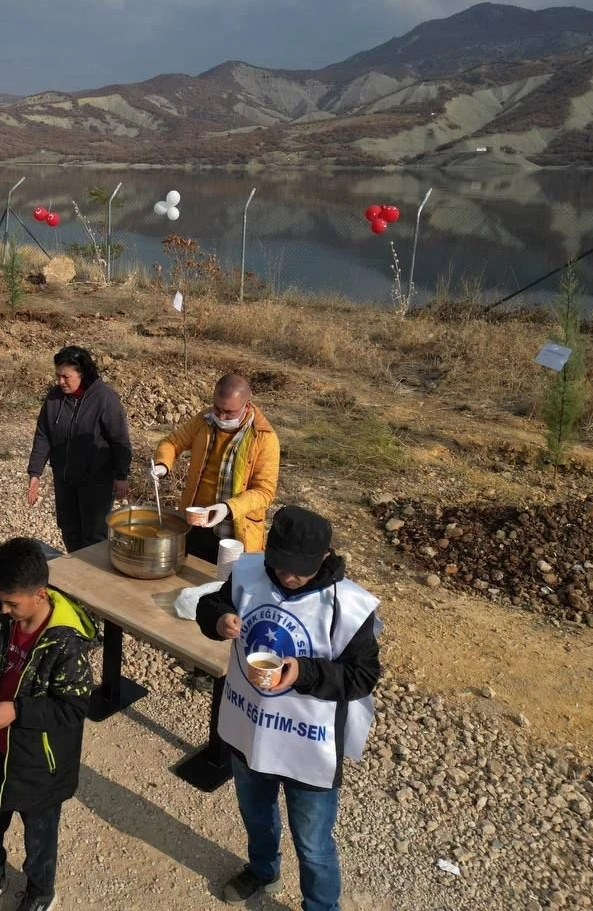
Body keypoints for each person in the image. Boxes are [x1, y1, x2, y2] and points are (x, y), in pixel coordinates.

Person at [195, 507, 381, 910]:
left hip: (308, 745)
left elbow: (363, 677)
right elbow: (208, 606)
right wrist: (220, 618)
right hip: (252, 729)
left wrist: (303, 672)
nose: (287, 576)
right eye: (280, 565)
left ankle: (321, 905)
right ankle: (263, 870)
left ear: (325, 557)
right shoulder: (248, 572)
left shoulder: (349, 606)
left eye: (299, 570)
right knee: (256, 814)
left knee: (313, 844)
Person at [0, 538, 95, 911]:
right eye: (2, 600)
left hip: (39, 764)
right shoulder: (4, 616)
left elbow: (73, 707)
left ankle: (41, 892)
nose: (5, 608)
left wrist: (18, 711)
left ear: (40, 594)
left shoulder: (66, 644)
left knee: (39, 839)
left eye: (13, 603)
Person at [152, 372, 280, 563]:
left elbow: (265, 492)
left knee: (224, 583)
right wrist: (163, 464)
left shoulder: (264, 438)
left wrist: (228, 507)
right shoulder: (204, 420)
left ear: (246, 405)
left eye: (229, 412)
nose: (221, 416)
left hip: (234, 533)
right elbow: (172, 442)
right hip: (196, 523)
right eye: (217, 408)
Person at [26, 346, 132, 552]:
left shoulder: (105, 399)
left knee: (93, 534)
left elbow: (120, 440)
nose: (60, 382)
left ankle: (93, 580)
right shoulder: (54, 398)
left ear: (82, 374)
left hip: (96, 480)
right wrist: (35, 472)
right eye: (58, 376)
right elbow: (43, 435)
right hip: (64, 477)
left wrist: (121, 475)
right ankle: (75, 572)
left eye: (66, 376)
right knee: (68, 528)